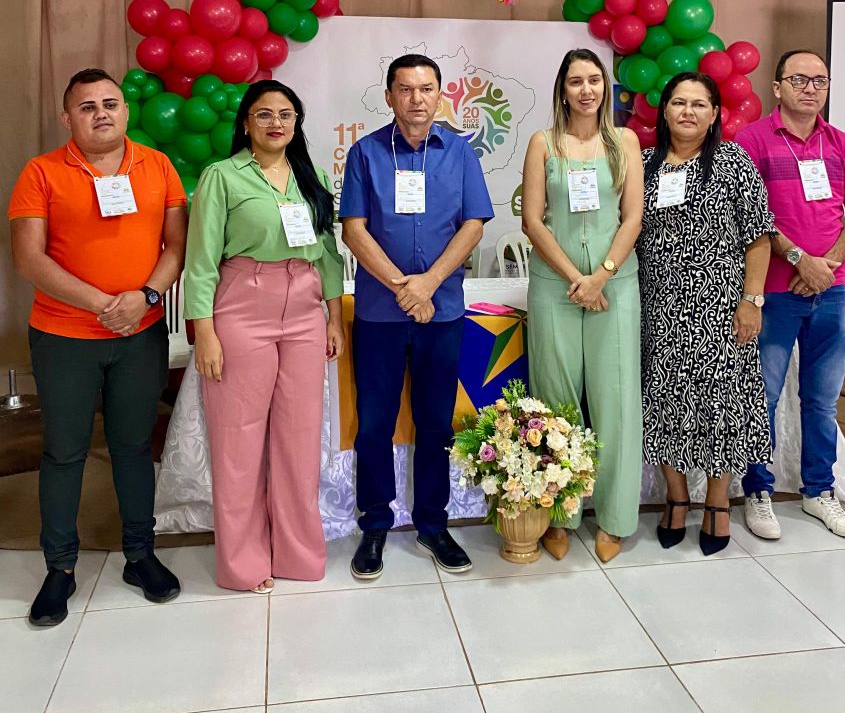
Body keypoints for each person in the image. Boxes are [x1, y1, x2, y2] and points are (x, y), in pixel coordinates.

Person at [9, 69, 188, 626]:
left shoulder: (157, 166)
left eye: (111, 103)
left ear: (126, 111)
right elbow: (29, 258)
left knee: (133, 447)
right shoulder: (41, 172)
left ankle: (140, 555)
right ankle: (59, 568)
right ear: (68, 118)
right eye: (87, 106)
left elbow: (177, 244)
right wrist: (105, 304)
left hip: (139, 336)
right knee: (64, 451)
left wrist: (145, 296)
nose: (101, 113)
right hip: (64, 338)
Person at [184, 80, 344, 593]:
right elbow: (200, 261)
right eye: (264, 114)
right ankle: (243, 563)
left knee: (300, 439)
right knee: (239, 441)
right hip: (242, 307)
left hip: (304, 309)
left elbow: (329, 254)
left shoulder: (312, 176)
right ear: (246, 123)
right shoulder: (222, 176)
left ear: (297, 123)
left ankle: (298, 554)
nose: (276, 123)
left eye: (286, 114)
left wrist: (333, 318)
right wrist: (205, 331)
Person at [340, 54, 494, 579]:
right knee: (374, 424)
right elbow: (354, 230)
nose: (416, 99)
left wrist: (427, 284)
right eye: (405, 89)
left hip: (441, 311)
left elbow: (473, 225)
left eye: (426, 89)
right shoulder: (365, 153)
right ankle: (375, 524)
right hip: (380, 315)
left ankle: (432, 523)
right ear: (389, 97)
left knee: (435, 423)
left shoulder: (460, 152)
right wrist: (403, 289)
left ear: (440, 95)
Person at [737, 50, 845, 540]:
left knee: (821, 401)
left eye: (820, 80)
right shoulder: (751, 141)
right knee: (763, 397)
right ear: (777, 87)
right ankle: (758, 491)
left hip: (833, 291)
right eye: (799, 79)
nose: (810, 88)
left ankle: (819, 491)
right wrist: (799, 260)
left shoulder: (841, 143)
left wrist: (825, 265)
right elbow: (750, 217)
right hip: (774, 292)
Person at [639, 72, 773, 555]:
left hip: (720, 309)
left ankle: (717, 501)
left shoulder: (733, 163)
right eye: (679, 102)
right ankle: (676, 497)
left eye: (699, 104)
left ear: (715, 113)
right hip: (658, 309)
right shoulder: (645, 165)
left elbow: (759, 237)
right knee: (662, 403)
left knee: (721, 405)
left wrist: (751, 301)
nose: (688, 112)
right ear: (665, 110)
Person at [522, 49, 643, 564]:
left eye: (595, 79)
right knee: (556, 400)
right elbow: (532, 220)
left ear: (605, 87)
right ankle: (559, 514)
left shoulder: (625, 141)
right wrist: (577, 279)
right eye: (576, 81)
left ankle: (614, 517)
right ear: (563, 89)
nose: (587, 90)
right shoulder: (543, 143)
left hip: (616, 287)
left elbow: (633, 217)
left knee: (616, 400)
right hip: (556, 286)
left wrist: (602, 276)